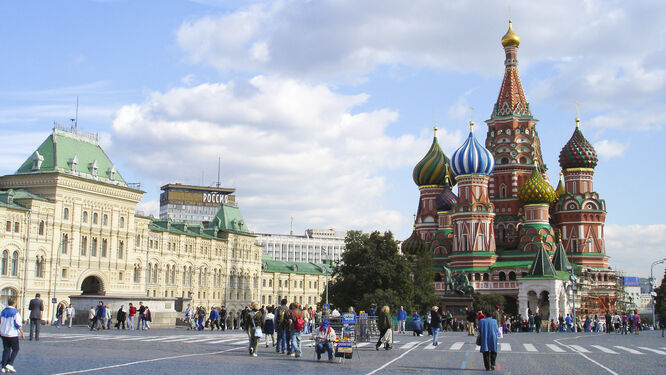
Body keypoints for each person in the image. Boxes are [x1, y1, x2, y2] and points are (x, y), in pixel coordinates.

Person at [0, 297, 24, 374]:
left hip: (3, 333)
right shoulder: (15, 312)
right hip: (12, 333)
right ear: (14, 303)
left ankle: (3, 366)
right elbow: (17, 324)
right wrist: (22, 333)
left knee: (6, 349)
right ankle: (10, 364)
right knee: (16, 349)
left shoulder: (3, 311)